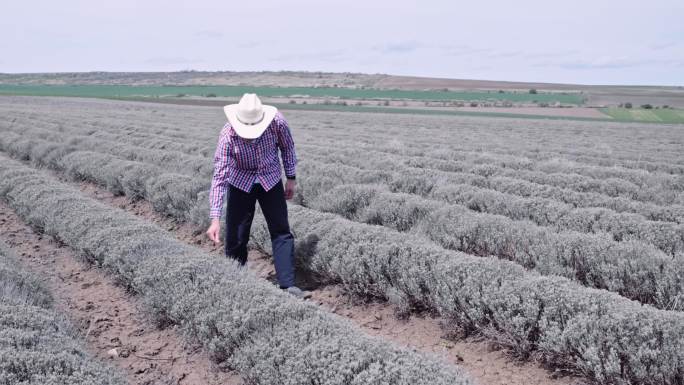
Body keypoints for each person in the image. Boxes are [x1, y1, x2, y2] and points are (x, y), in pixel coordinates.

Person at [206, 93, 310, 299]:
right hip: (240, 182)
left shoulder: (277, 122)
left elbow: (288, 147)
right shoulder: (228, 135)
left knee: (281, 231)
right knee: (236, 235)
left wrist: (291, 178)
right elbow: (219, 176)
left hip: (270, 178)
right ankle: (236, 284)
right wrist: (215, 218)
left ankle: (288, 285)